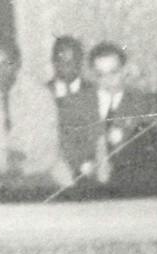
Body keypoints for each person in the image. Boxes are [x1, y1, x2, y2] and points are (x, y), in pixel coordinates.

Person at [0, 40, 69, 190]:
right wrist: (3, 171)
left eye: (6, 63)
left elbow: (49, 150)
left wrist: (21, 170)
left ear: (17, 64)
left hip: (40, 172)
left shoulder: (40, 95)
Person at [81, 42, 157, 189]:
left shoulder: (142, 102)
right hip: (87, 184)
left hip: (131, 184)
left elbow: (149, 153)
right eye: (100, 74)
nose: (108, 80)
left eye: (113, 72)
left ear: (125, 70)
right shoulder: (81, 103)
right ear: (92, 74)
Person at [46, 33, 93, 178]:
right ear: (53, 62)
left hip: (89, 172)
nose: (66, 66)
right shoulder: (41, 95)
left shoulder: (94, 93)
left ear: (80, 63)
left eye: (72, 61)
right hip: (51, 173)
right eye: (60, 60)